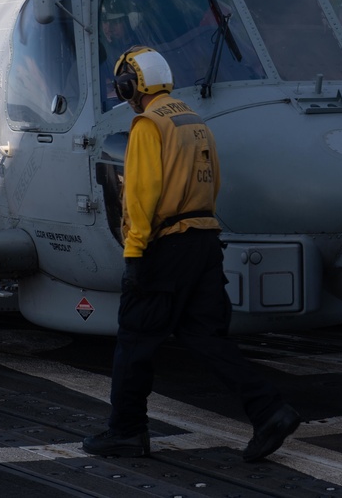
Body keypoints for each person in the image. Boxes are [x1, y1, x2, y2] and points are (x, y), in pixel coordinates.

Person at [82, 46, 300, 460]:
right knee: (204, 336)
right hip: (203, 239)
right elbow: (213, 182)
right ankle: (270, 410)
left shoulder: (148, 125)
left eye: (123, 84)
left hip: (165, 246)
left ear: (132, 85)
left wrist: (135, 254)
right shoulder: (193, 121)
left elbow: (141, 195)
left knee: (134, 339)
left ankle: (126, 430)